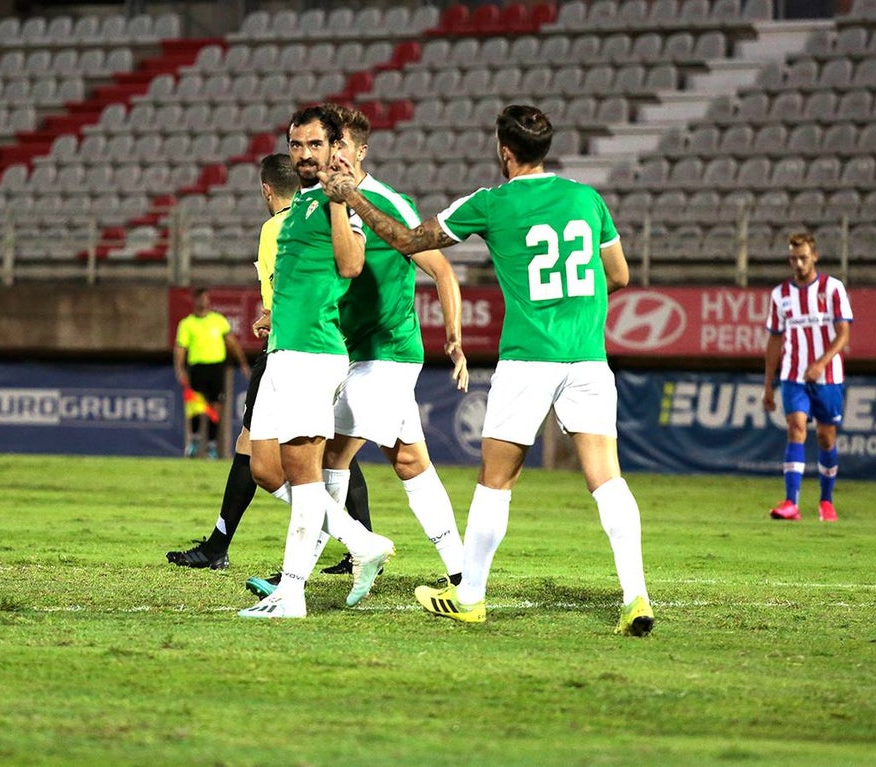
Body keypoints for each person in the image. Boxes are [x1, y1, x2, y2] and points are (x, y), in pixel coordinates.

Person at [320, 104, 655, 636]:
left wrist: (350, 195)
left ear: (504, 152)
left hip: (529, 357)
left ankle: (470, 595)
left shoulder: (492, 203)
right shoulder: (586, 198)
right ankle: (635, 595)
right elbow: (618, 275)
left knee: (496, 481)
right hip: (589, 356)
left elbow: (409, 242)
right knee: (607, 478)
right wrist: (578, 308)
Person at [243, 104, 470, 599]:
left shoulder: (386, 201)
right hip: (351, 351)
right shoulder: (319, 201)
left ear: (357, 151)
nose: (329, 156)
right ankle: (461, 571)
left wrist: (454, 338)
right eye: (324, 147)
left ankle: (309, 572)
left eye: (336, 146)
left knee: (327, 459)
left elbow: (443, 270)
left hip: (386, 352)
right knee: (410, 461)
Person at [165, 153, 374, 571]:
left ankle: (354, 539)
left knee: (257, 453)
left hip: (291, 350)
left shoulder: (277, 228)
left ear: (265, 190)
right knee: (332, 453)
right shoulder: (322, 218)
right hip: (328, 346)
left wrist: (274, 316)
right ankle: (355, 544)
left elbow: (288, 290)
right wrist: (271, 315)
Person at [237, 105, 395, 620]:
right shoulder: (299, 205)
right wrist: (271, 315)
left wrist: (337, 198)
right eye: (296, 145)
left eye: (314, 145)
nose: (304, 154)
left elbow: (350, 266)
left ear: (333, 149)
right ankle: (358, 539)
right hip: (284, 348)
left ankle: (292, 594)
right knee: (263, 468)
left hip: (313, 355)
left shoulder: (341, 201)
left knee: (304, 477)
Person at [762, 232, 853, 523]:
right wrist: (768, 385)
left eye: (803, 258)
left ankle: (826, 502)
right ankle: (791, 502)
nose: (798, 264)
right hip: (792, 375)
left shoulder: (833, 289)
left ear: (814, 256)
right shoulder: (781, 295)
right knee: (796, 428)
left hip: (828, 377)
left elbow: (844, 334)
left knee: (826, 439)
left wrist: (821, 362)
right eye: (793, 259)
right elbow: (774, 340)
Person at [173, 287, 250, 458]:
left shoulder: (218, 321)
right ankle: (194, 441)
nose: (203, 301)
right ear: (195, 301)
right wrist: (180, 369)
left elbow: (232, 343)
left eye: (206, 298)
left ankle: (212, 446)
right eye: (200, 298)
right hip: (197, 368)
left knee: (216, 407)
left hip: (216, 368)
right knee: (196, 407)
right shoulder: (187, 324)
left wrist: (243, 363)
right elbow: (180, 348)